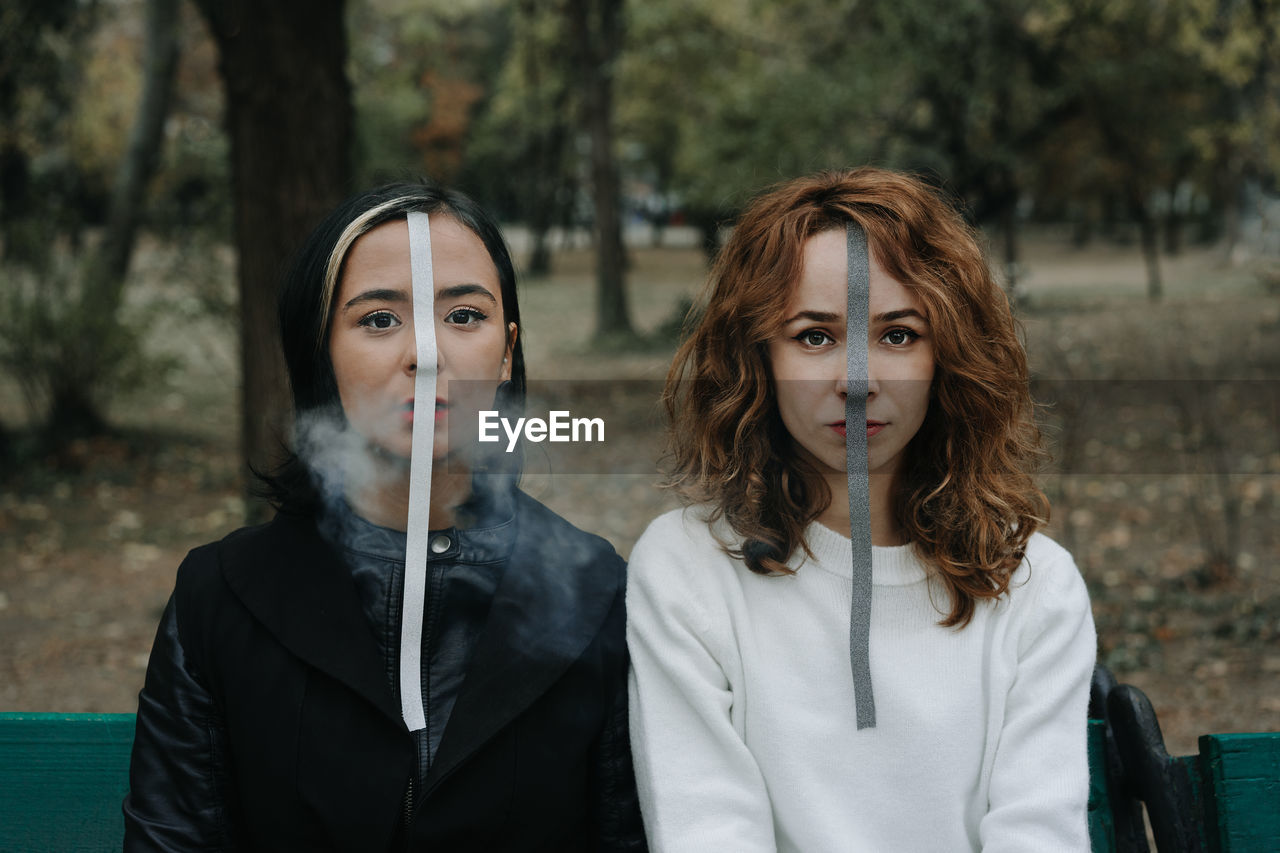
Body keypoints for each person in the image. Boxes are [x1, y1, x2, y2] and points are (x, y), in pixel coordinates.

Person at [124, 182, 647, 852]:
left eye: (463, 316)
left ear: (507, 350)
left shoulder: (596, 592)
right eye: (378, 320)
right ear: (321, 354)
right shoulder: (220, 596)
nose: (426, 355)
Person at [626, 168, 1097, 851]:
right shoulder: (687, 569)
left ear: (951, 355)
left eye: (898, 335)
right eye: (814, 336)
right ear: (757, 355)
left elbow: (1039, 835)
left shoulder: (1035, 586)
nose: (856, 380)